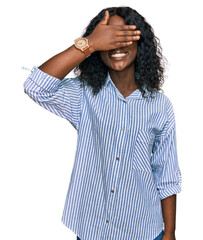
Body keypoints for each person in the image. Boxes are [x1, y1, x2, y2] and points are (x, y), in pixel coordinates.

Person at [23, 6, 182, 240]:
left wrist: (169, 232)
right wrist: (88, 44)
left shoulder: (160, 106)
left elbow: (166, 174)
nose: (116, 46)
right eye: (108, 39)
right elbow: (35, 86)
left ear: (140, 43)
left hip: (144, 229)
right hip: (93, 229)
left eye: (123, 37)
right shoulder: (83, 96)